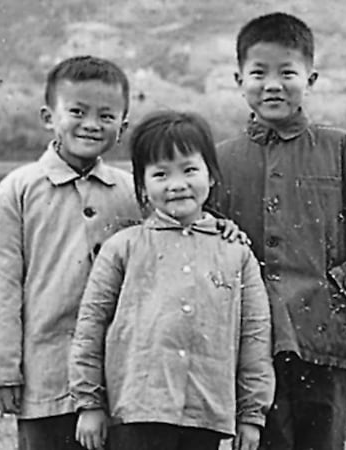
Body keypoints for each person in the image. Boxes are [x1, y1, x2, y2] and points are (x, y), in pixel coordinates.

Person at [0, 56, 244, 450]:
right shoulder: (18, 190)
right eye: (77, 112)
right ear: (48, 117)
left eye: (106, 115)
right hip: (46, 375)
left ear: (123, 127)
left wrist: (219, 229)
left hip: (121, 378)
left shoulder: (134, 190)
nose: (91, 124)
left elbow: (178, 229)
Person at [213, 12, 346, 450]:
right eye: (258, 74)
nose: (272, 85)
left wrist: (338, 298)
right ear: (239, 80)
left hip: (328, 340)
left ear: (311, 78)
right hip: (248, 344)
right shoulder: (217, 162)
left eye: (287, 73)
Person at [68, 111, 275, 450]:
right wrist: (89, 403)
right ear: (142, 186)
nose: (177, 184)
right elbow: (90, 327)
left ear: (211, 176)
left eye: (189, 170)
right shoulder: (123, 248)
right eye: (161, 174)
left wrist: (251, 414)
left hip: (206, 413)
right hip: (135, 411)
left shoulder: (237, 252)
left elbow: (255, 336)